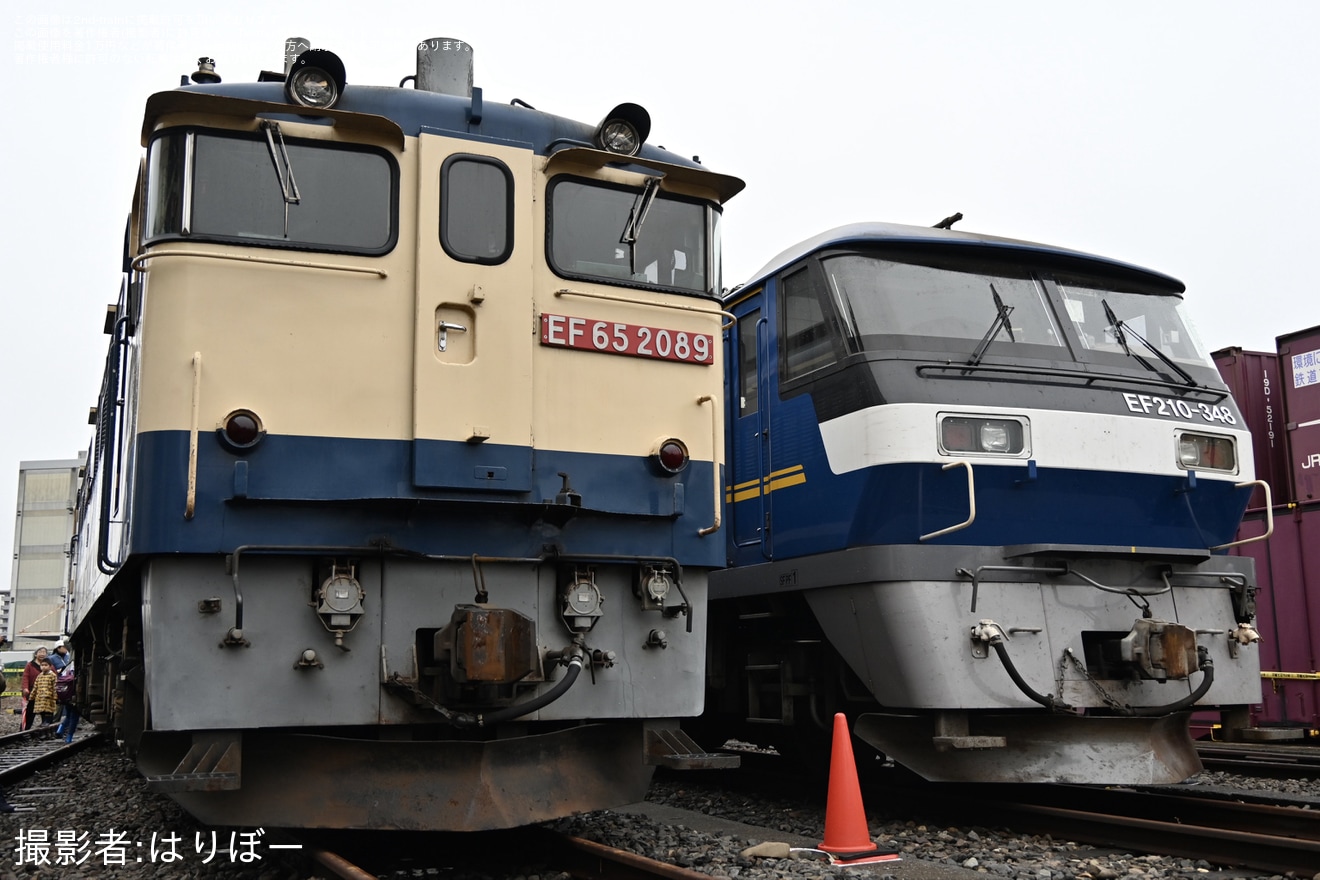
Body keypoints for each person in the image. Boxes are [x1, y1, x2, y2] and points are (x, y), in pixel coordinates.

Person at [20, 647, 48, 731]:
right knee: (30, 712)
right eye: (40, 652)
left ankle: (45, 731)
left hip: (45, 692)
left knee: (46, 713)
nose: (42, 654)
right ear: (36, 654)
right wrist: (25, 688)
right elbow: (25, 677)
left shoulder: (49, 665)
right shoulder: (30, 665)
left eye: (44, 652)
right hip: (33, 692)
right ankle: (24, 730)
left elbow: (55, 676)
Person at [54, 664, 79, 743]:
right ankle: (69, 737)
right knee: (74, 717)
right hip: (75, 696)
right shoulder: (78, 667)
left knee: (68, 715)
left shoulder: (68, 666)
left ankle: (60, 728)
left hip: (65, 695)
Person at [31, 659, 58, 727]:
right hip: (40, 698)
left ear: (50, 666)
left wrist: (55, 697)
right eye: (42, 665)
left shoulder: (53, 676)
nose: (43, 667)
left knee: (48, 711)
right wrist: (32, 696)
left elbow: (55, 687)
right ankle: (43, 722)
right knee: (42, 711)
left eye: (46, 665)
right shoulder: (39, 676)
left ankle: (48, 722)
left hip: (49, 698)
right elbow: (35, 687)